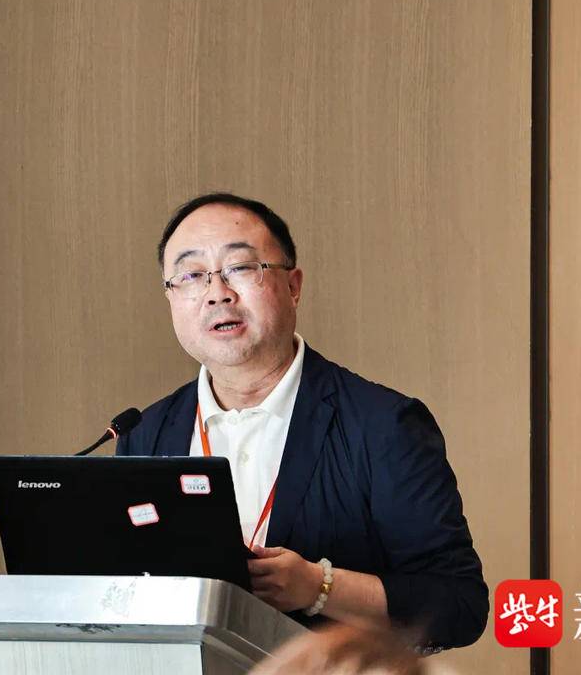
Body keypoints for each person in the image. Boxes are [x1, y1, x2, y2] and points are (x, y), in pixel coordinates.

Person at [116, 193, 488, 651]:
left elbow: (458, 605)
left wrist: (318, 587)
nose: (217, 293)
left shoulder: (383, 425)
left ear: (293, 286)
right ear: (171, 297)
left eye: (241, 267)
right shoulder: (144, 434)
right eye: (191, 275)